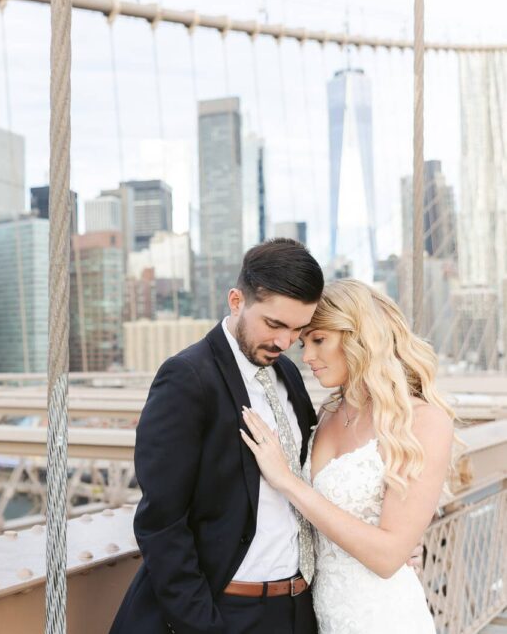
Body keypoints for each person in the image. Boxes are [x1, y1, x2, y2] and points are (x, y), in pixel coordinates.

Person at [110, 238, 325, 634]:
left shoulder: (290, 375)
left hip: (298, 611)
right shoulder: (186, 378)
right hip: (227, 613)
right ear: (236, 301)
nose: (284, 342)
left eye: (297, 330)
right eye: (274, 324)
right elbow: (161, 523)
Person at [240, 278, 453, 633]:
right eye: (304, 343)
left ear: (359, 337)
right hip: (324, 616)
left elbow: (387, 557)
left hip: (386, 619)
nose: (307, 357)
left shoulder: (423, 421)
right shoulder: (324, 415)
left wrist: (289, 482)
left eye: (319, 339)